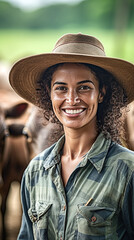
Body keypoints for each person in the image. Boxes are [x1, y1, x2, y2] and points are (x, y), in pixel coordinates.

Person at [9, 33, 134, 240]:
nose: (72, 99)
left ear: (102, 93)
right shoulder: (35, 171)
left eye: (84, 87)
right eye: (61, 88)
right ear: (49, 94)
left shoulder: (127, 171)